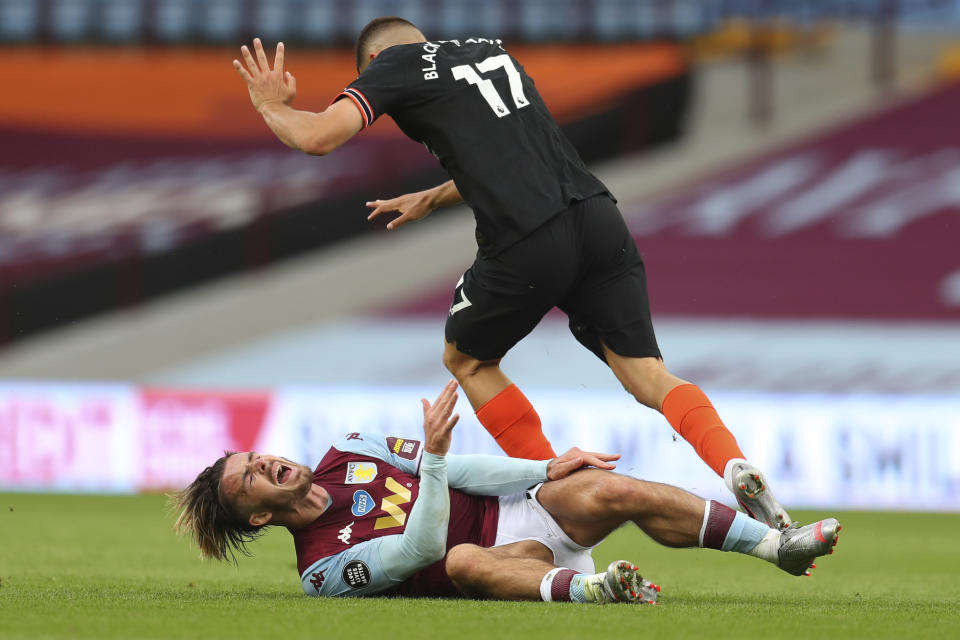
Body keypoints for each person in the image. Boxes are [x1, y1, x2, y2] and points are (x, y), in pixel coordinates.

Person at [231, 17, 791, 530]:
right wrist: (436, 195)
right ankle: (732, 462)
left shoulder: (394, 66)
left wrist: (269, 105)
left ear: (375, 61)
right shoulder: (487, 51)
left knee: (466, 359)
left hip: (529, 237)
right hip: (596, 217)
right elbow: (515, 152)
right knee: (648, 376)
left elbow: (317, 137)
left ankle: (560, 490)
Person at [173, 381, 841, 602]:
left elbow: (462, 470)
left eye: (258, 456)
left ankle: (775, 545)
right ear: (258, 514)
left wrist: (545, 471)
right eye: (251, 478)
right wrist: (432, 458)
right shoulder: (322, 569)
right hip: (501, 564)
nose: (268, 463)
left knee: (604, 487)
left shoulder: (348, 450)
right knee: (460, 560)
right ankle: (592, 590)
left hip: (519, 508)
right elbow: (422, 547)